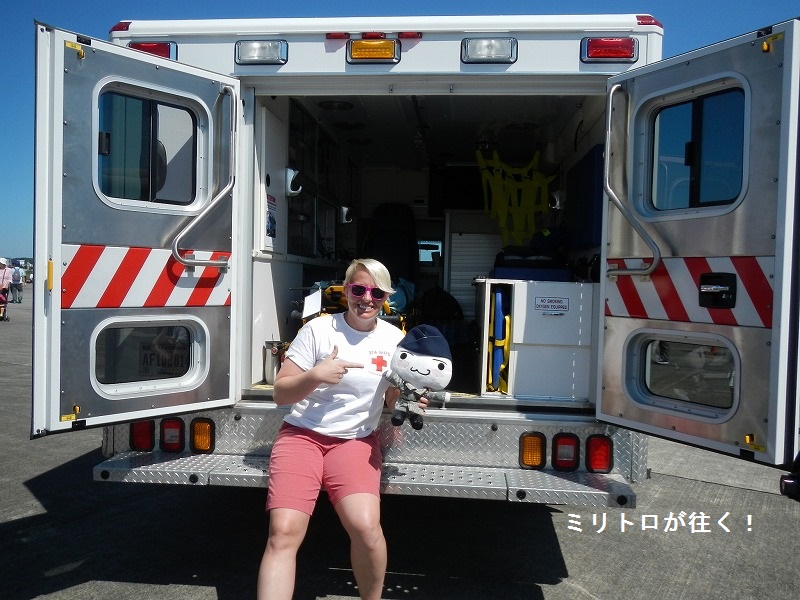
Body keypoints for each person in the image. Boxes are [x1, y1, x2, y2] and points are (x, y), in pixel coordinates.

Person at [257, 258, 425, 600]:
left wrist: (409, 400)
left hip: (355, 441)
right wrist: (315, 376)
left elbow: (393, 396)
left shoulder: (395, 340)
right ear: (346, 290)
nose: (367, 299)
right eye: (358, 289)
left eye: (377, 292)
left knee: (366, 529)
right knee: (283, 532)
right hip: (302, 436)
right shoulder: (318, 330)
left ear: (386, 297)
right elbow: (280, 393)